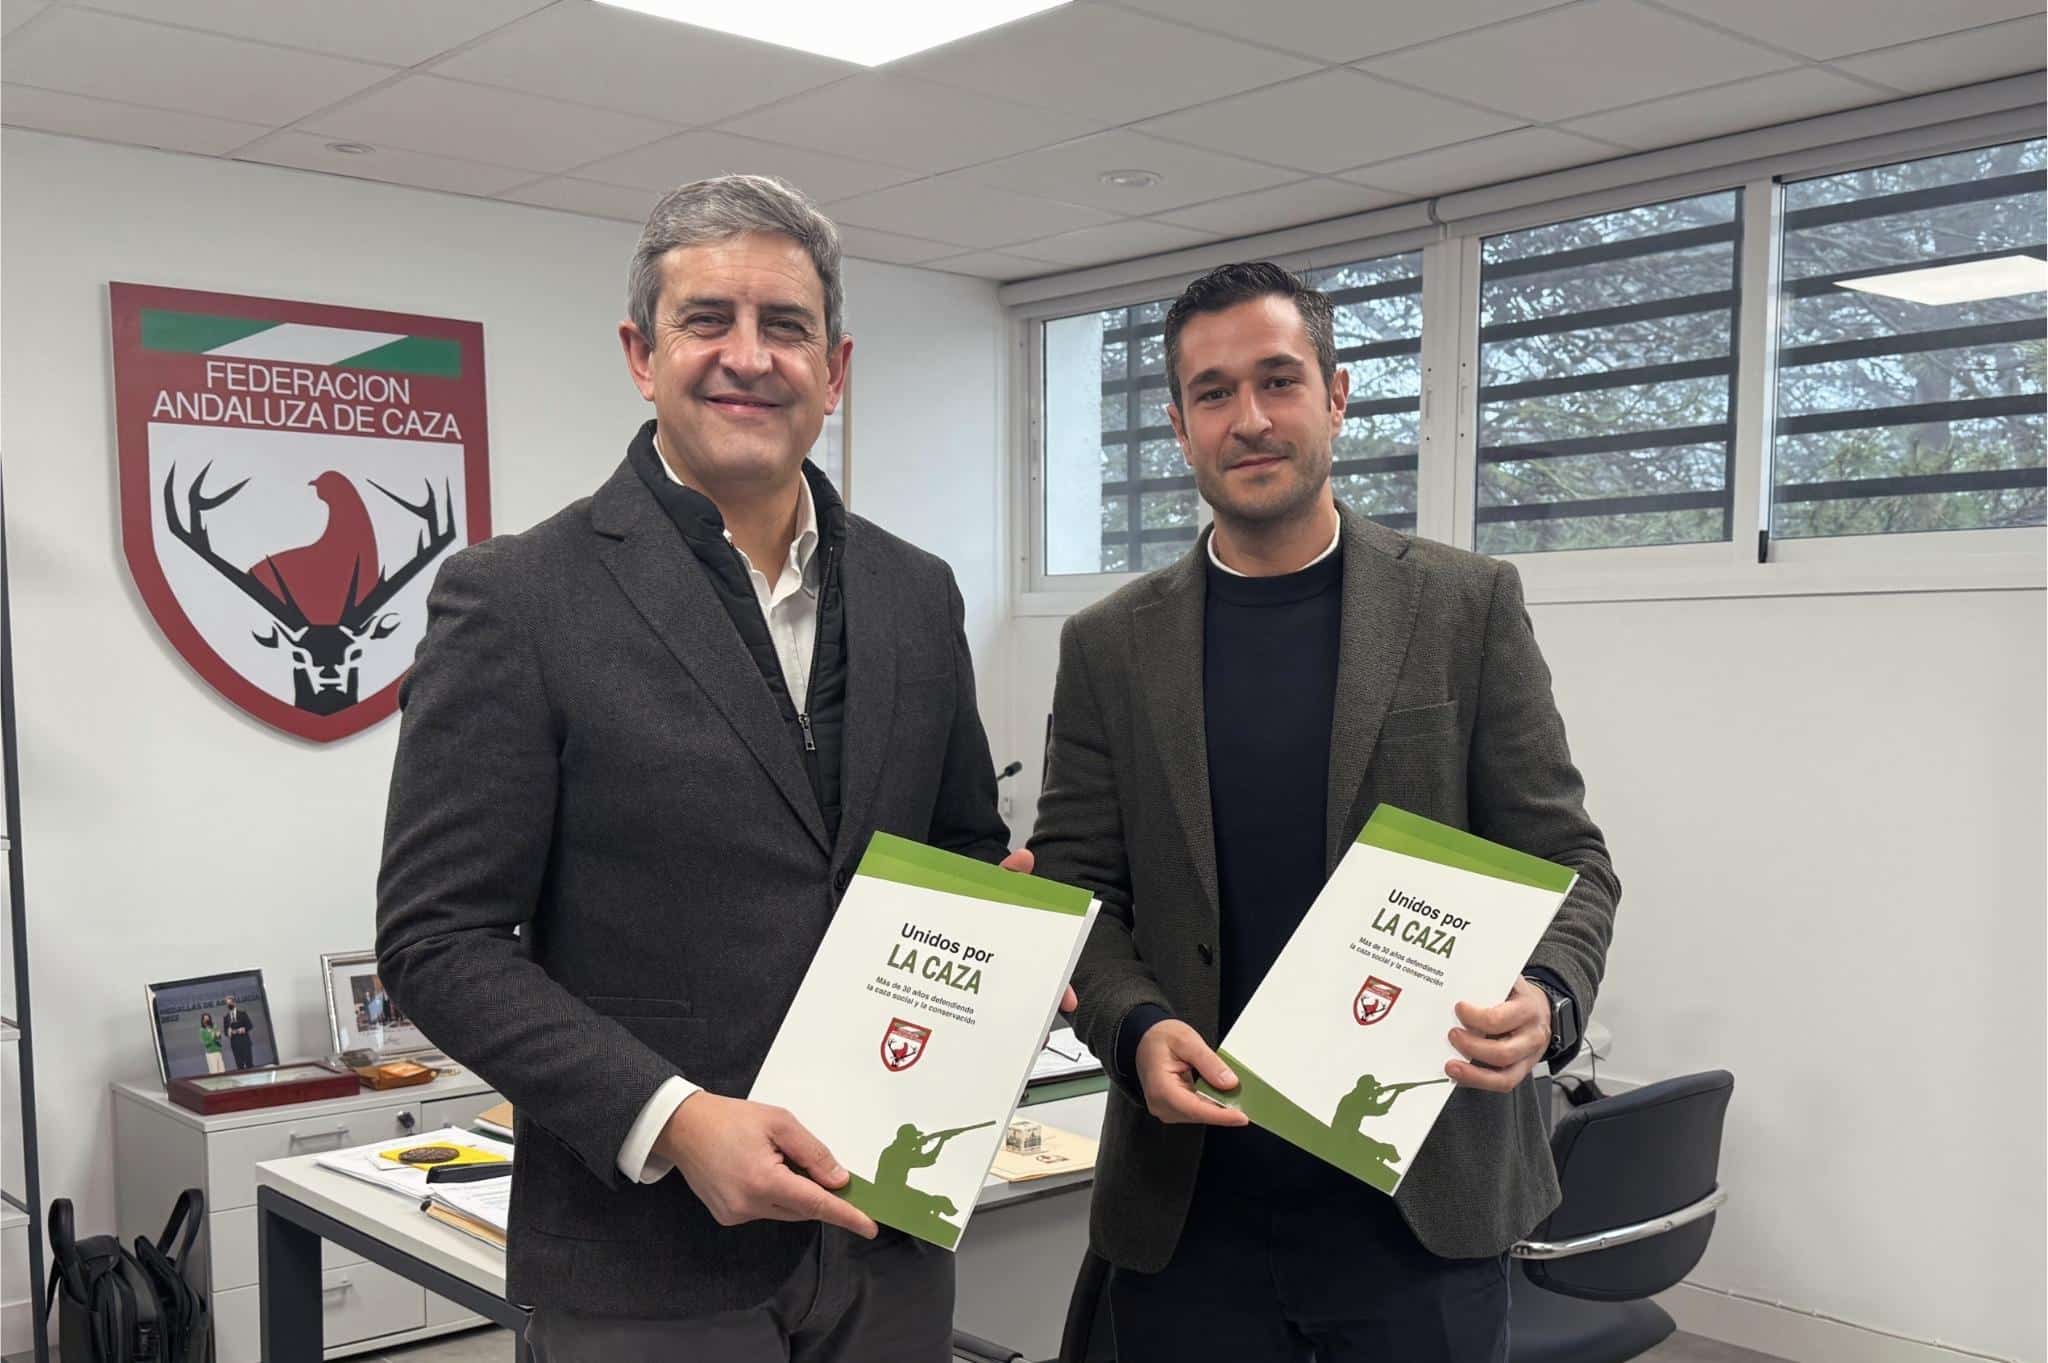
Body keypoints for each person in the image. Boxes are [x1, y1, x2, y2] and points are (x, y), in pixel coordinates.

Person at [377, 174, 1048, 1363]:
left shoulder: (915, 592)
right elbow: (438, 938)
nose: (749, 355)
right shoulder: (518, 597)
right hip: (647, 1261)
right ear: (642, 355)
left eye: (785, 325)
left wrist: (999, 934)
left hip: (885, 1234)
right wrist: (674, 1118)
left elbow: (955, 844)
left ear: (834, 370)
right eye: (707, 320)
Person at [1029, 261, 1620, 1362]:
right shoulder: (1108, 645)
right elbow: (1076, 890)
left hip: (1419, 1201)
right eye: (1213, 393)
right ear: (1178, 426)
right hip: (1191, 1206)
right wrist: (1134, 1023)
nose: (1249, 419)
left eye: (1277, 380)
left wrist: (1547, 996)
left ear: (1335, 396)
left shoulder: (1464, 605)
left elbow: (1567, 857)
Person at [220, 995, 255, 1071]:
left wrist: (243, 1029)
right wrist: (228, 1032)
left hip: (245, 1041)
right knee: (239, 1065)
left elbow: (250, 1025)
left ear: (234, 1003)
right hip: (235, 1043)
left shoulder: (242, 1014)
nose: (229, 1005)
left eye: (230, 1003)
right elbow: (225, 1032)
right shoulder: (226, 1017)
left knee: (249, 1064)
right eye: (227, 1003)